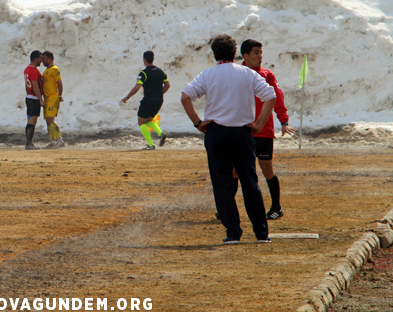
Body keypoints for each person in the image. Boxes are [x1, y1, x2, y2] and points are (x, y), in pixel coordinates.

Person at [180, 34, 276, 244]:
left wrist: (198, 123)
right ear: (235, 52)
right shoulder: (247, 74)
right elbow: (270, 95)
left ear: (214, 53)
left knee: (222, 183)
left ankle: (233, 232)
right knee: (250, 183)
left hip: (217, 132)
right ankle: (261, 233)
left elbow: (185, 96)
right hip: (243, 132)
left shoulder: (208, 75)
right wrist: (259, 124)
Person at [241, 39, 297, 220]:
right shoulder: (237, 74)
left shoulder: (267, 75)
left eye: (261, 52)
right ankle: (226, 206)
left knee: (266, 169)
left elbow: (277, 97)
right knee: (236, 169)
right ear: (245, 56)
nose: (260, 56)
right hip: (242, 130)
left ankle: (276, 207)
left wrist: (284, 121)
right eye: (256, 53)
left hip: (263, 130)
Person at [121, 51, 170, 149]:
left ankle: (151, 145)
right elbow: (168, 85)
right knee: (148, 121)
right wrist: (159, 94)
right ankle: (161, 134)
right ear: (153, 59)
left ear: (144, 60)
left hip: (148, 100)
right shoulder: (161, 72)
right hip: (159, 100)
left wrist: (127, 97)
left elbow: (136, 88)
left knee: (141, 122)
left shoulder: (143, 73)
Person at [41, 50, 66, 148]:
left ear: (49, 58)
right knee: (48, 121)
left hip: (52, 97)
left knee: (51, 120)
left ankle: (60, 140)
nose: (42, 61)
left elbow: (59, 83)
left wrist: (60, 95)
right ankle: (52, 141)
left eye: (44, 59)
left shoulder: (55, 69)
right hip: (46, 98)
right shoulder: (46, 71)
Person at [23, 50, 44, 150]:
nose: (41, 61)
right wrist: (41, 99)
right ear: (36, 59)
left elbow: (26, 85)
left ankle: (29, 143)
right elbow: (35, 86)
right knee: (32, 120)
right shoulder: (34, 71)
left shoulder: (27, 69)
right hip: (34, 98)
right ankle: (28, 143)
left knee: (31, 119)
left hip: (29, 97)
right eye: (40, 59)